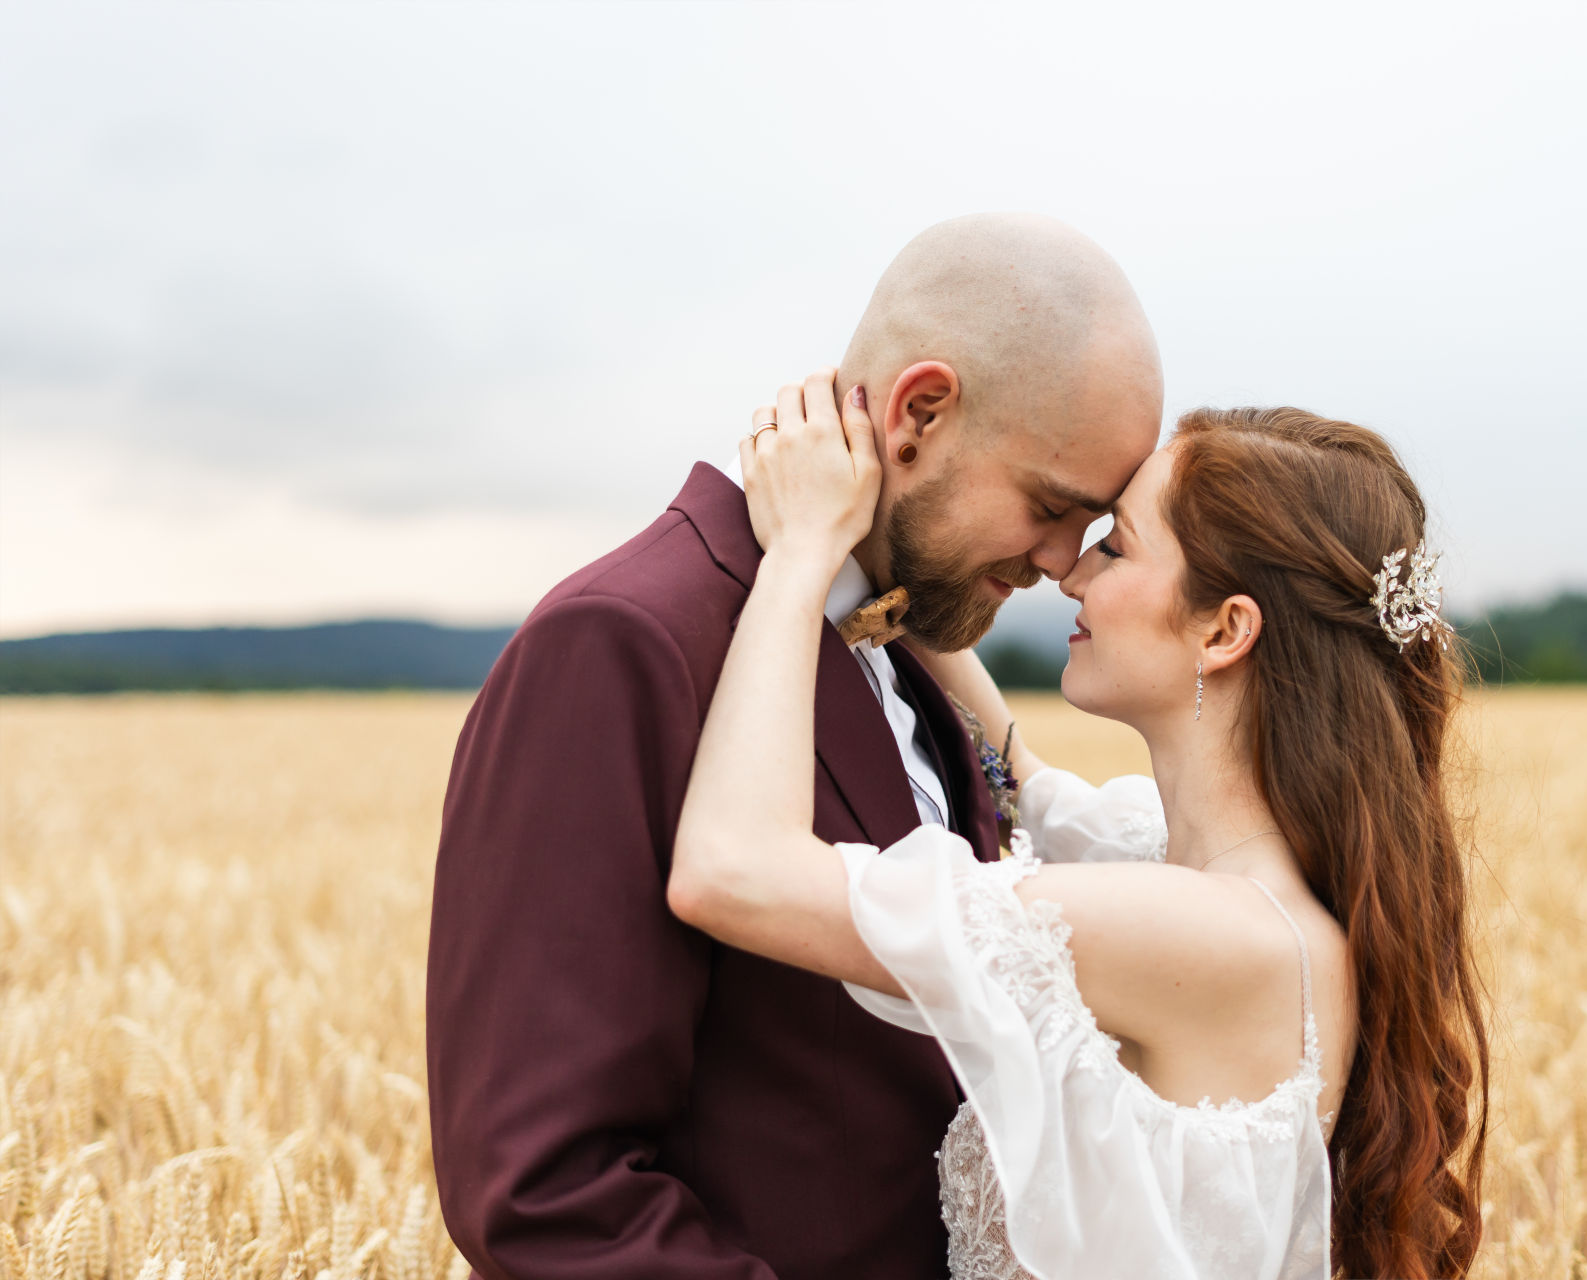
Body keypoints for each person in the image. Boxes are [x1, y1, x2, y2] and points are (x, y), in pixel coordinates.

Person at [425, 215, 1162, 1280]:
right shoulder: (623, 641)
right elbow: (544, 1190)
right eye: (1052, 505)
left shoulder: (913, 633)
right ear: (920, 411)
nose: (1060, 562)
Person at [669, 377, 1490, 1279]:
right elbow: (1023, 777)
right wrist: (908, 537)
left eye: (1117, 547)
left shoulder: (1213, 935)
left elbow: (733, 871)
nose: (1070, 569)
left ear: (1225, 630)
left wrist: (800, 548)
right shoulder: (1203, 873)